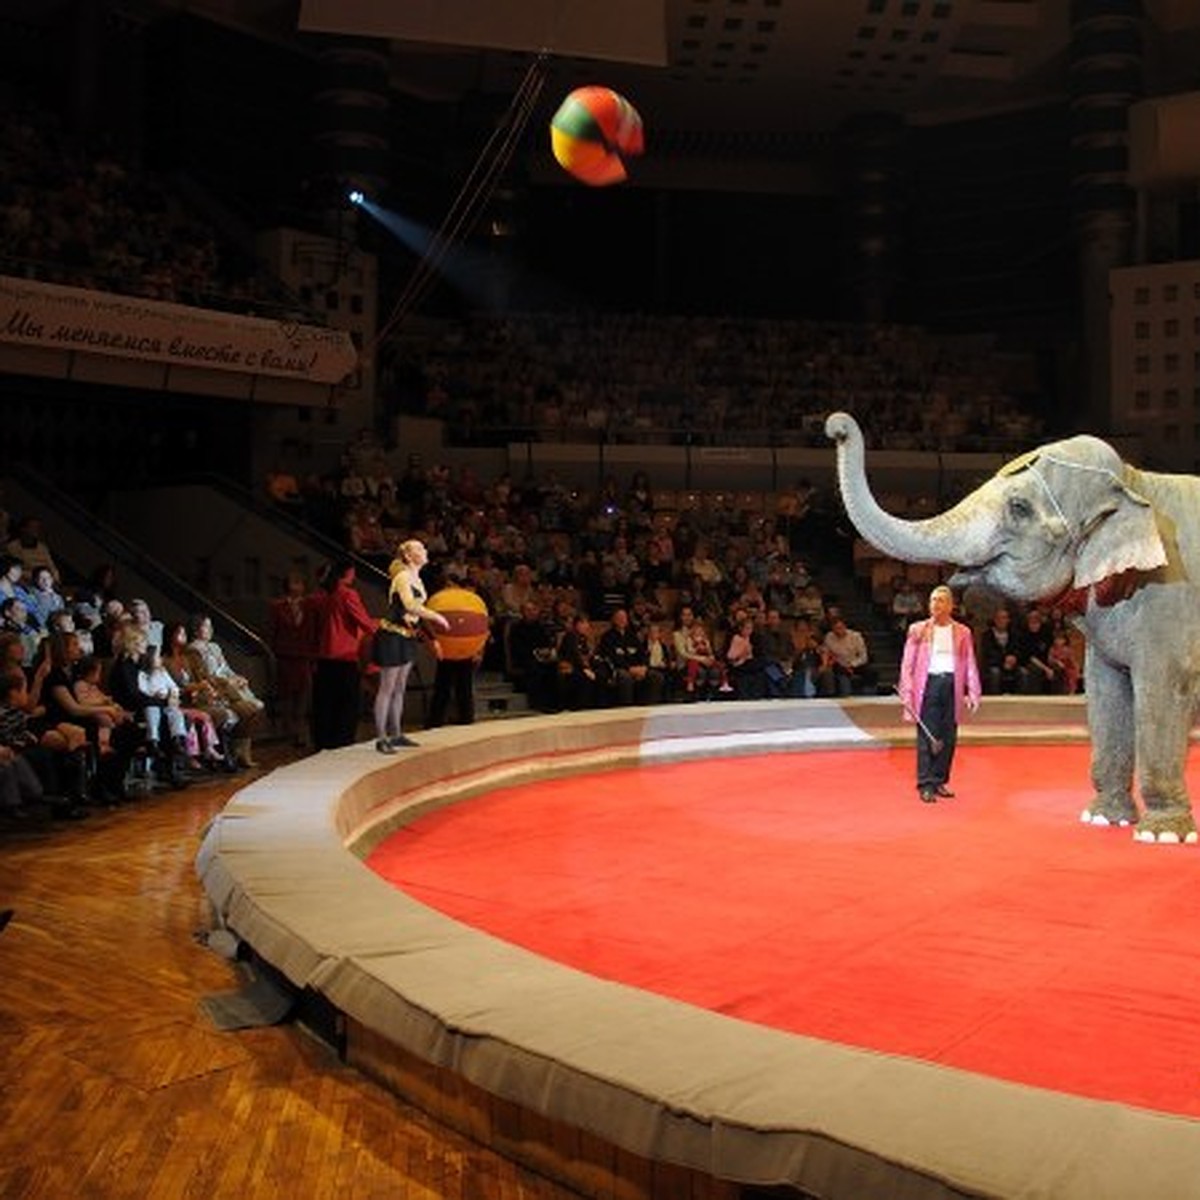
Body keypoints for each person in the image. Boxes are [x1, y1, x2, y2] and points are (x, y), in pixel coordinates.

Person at [898, 584, 981, 804]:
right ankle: (925, 783)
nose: (935, 604)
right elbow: (907, 664)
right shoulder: (918, 629)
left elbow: (970, 662)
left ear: (951, 605)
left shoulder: (963, 632)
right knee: (927, 736)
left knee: (948, 736)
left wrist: (973, 691)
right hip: (928, 685)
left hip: (952, 685)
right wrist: (906, 693)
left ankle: (939, 780)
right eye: (933, 600)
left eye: (940, 600)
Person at [372, 540, 449, 752]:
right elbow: (410, 605)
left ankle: (396, 733)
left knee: (400, 688)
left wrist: (431, 637)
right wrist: (437, 617)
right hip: (392, 635)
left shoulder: (417, 578)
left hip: (407, 636)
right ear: (408, 556)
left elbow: (416, 612)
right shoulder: (403, 576)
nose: (425, 551)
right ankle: (381, 738)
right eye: (420, 548)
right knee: (387, 688)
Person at [311, 559, 377, 751]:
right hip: (344, 656)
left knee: (324, 703)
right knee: (346, 703)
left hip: (323, 657)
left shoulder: (319, 597)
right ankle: (342, 743)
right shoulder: (348, 594)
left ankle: (323, 742)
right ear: (347, 574)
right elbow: (365, 623)